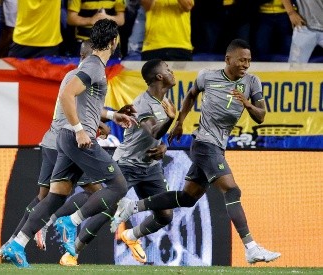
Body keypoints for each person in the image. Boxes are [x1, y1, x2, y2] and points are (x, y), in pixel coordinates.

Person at [111, 39, 282, 264]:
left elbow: (261, 115)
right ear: (228, 59)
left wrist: (248, 104)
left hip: (218, 145)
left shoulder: (252, 82)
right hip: (204, 144)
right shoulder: (207, 77)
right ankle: (251, 247)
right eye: (241, 60)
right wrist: (180, 121)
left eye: (249, 60)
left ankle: (133, 211)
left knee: (187, 197)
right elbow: (191, 95)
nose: (246, 64)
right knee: (231, 191)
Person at [1, 19, 136, 268]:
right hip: (77, 139)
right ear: (113, 41)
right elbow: (66, 96)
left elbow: (83, 102)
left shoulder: (83, 69)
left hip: (64, 137)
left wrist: (112, 115)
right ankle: (71, 221)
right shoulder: (94, 66)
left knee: (54, 197)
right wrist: (80, 130)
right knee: (118, 185)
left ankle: (16, 244)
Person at [57, 59, 178, 266]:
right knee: (107, 210)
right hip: (126, 165)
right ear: (159, 76)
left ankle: (131, 236)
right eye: (168, 69)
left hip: (150, 168)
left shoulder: (163, 103)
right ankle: (72, 253)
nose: (172, 71)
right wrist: (170, 120)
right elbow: (154, 130)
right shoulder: (142, 104)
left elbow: (159, 136)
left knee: (165, 215)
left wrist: (164, 145)